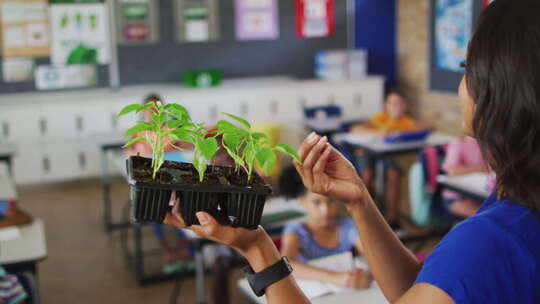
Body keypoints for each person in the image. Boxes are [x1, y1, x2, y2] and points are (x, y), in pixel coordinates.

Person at [164, 1, 540, 302]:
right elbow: (425, 291)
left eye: (465, 66)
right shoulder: (516, 204)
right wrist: (359, 199)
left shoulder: (488, 242)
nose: (461, 82)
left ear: (498, 89)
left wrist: (260, 249)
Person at [278, 166, 372, 289]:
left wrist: (368, 275)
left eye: (331, 202)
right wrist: (334, 277)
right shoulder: (296, 230)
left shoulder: (348, 227)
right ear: (302, 202)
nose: (325, 210)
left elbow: (374, 256)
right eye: (317, 202)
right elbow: (286, 265)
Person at [125, 93, 192, 264]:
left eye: (158, 108)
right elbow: (130, 153)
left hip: (178, 178)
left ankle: (184, 247)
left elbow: (190, 146)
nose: (154, 112)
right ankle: (167, 250)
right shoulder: (140, 131)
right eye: (150, 109)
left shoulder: (173, 128)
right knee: (154, 209)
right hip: (153, 181)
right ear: (143, 112)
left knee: (184, 206)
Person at [349, 91, 429, 229]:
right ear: (386, 105)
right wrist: (377, 132)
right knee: (367, 175)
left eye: (398, 103)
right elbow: (355, 129)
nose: (395, 107)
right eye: (392, 103)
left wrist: (398, 132)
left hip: (385, 153)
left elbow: (426, 127)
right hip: (367, 151)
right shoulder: (380, 118)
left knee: (393, 173)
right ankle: (368, 216)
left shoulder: (406, 121)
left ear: (404, 106)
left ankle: (393, 219)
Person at [441, 136, 489, 218]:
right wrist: (481, 168)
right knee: (484, 217)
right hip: (457, 197)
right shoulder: (458, 143)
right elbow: (452, 171)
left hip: (480, 194)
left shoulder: (488, 144)